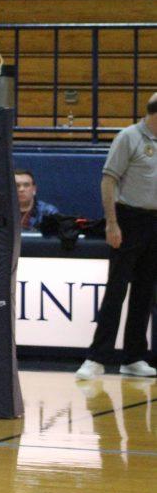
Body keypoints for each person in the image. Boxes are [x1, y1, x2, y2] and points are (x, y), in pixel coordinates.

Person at [76, 94, 157, 380]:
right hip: (129, 218)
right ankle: (97, 357)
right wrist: (112, 223)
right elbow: (108, 180)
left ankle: (134, 357)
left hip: (155, 222)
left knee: (145, 292)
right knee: (116, 290)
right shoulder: (128, 137)